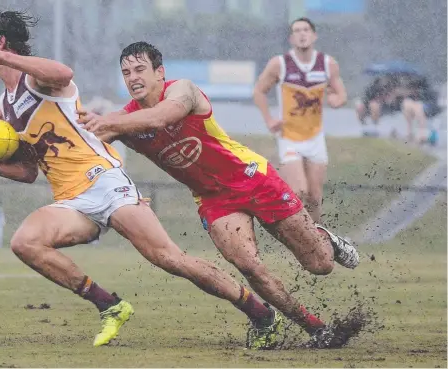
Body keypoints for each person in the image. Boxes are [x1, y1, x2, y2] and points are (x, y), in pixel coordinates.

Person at [0, 10, 287, 349]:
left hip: (104, 182)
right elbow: (29, 172)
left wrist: (5, 59)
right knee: (24, 242)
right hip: (71, 201)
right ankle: (111, 306)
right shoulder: (3, 107)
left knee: (171, 260)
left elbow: (64, 73)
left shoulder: (35, 80)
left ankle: (261, 313)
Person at [78, 41, 360, 349]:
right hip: (214, 200)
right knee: (249, 266)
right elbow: (78, 147)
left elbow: (162, 117)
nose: (133, 77)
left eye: (140, 69)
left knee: (320, 265)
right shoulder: (124, 121)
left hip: (253, 178)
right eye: (126, 72)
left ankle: (323, 238)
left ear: (160, 72)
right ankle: (315, 328)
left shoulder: (182, 90)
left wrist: (106, 120)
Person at [253, 17, 347, 224]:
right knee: (298, 191)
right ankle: (298, 237)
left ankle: (316, 239)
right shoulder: (280, 64)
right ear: (291, 38)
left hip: (315, 137)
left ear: (314, 36)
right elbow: (259, 91)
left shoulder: (327, 64)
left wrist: (336, 100)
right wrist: (269, 119)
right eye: (297, 31)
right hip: (289, 137)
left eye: (306, 30)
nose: (302, 34)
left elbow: (341, 94)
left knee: (314, 196)